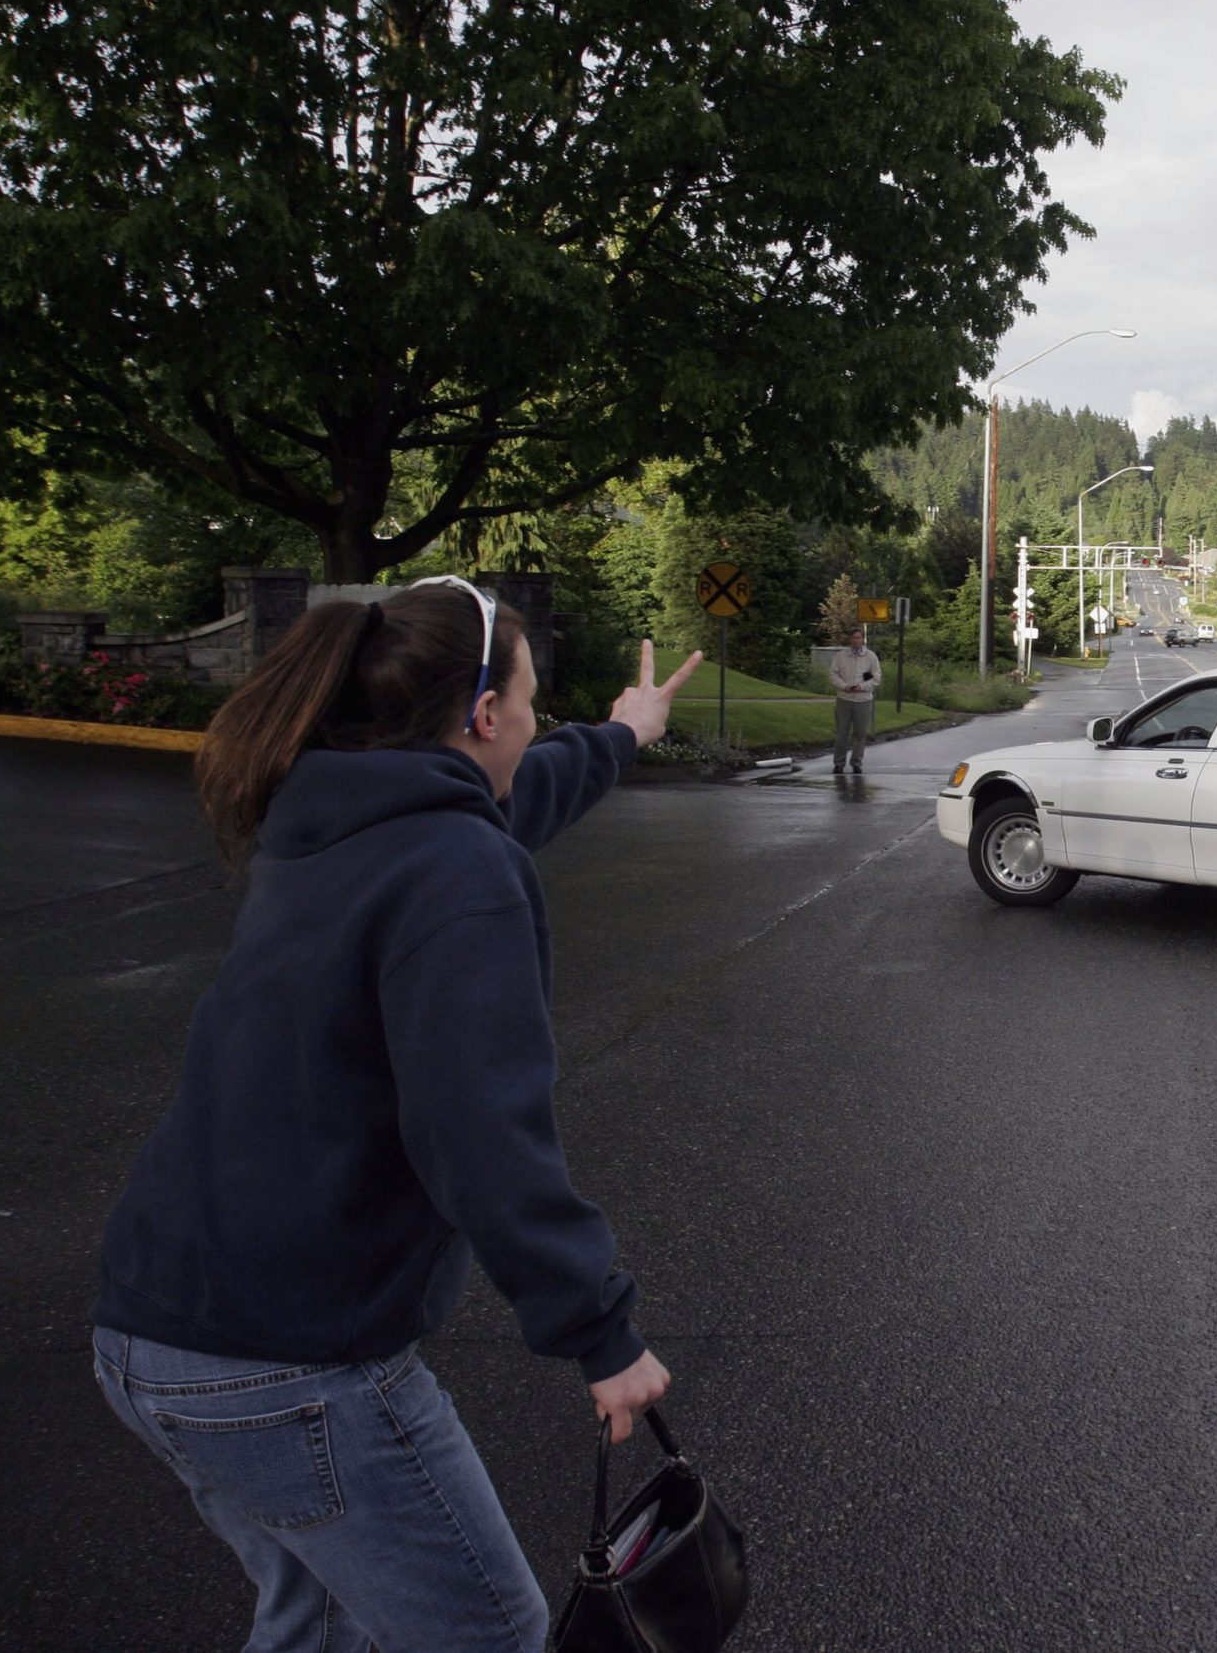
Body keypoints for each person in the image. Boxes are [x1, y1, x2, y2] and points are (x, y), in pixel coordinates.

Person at [90, 578, 701, 1653]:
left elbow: (509, 797)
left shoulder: (332, 813)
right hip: (288, 1366)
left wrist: (618, 733)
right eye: (528, 703)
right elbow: (480, 1135)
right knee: (491, 1632)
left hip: (154, 1333)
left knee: (321, 1622)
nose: (532, 723)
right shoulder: (456, 870)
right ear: (482, 716)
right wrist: (600, 1333)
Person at [829, 622, 881, 773]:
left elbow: (876, 677)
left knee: (859, 733)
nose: (856, 641)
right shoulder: (841, 656)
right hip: (844, 698)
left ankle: (856, 762)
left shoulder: (870, 657)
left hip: (863, 700)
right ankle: (839, 763)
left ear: (863, 640)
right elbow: (833, 674)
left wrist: (862, 686)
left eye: (858, 638)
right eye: (853, 638)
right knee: (841, 732)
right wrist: (845, 686)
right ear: (850, 640)